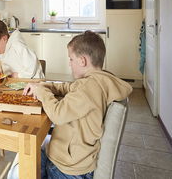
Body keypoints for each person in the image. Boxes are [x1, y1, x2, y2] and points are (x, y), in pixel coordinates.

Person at [13, 31, 132, 178]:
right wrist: (45, 85)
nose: (69, 63)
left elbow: (58, 114)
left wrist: (41, 93)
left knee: (20, 166)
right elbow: (69, 88)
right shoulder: (95, 82)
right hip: (73, 158)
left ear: (82, 61)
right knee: (25, 157)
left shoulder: (89, 88)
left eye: (71, 59)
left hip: (67, 169)